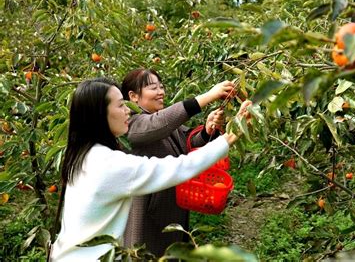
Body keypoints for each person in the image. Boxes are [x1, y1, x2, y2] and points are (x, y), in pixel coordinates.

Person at [50, 77, 250, 261]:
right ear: (100, 114)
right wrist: (231, 136)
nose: (127, 111)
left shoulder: (83, 154)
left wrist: (209, 132)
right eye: (121, 106)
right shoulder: (108, 164)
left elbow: (184, 141)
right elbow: (180, 167)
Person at [121, 68, 234, 256]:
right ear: (133, 96)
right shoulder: (130, 123)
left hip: (170, 209)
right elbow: (159, 124)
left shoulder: (162, 121)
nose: (161, 92)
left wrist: (207, 130)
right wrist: (208, 96)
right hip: (146, 213)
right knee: (144, 253)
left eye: (161, 87)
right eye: (153, 88)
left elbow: (187, 142)